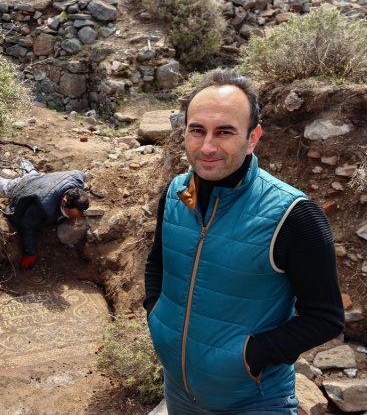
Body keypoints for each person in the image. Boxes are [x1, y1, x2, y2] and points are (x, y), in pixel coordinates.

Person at [143, 68, 345, 414]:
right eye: (197, 130)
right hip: (179, 390)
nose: (207, 146)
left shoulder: (293, 215)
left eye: (224, 132)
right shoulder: (175, 194)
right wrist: (156, 317)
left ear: (253, 137)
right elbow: (157, 263)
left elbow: (325, 316)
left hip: (254, 399)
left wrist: (250, 358)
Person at [0, 159, 90, 269]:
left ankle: (23, 161)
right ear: (64, 201)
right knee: (0, 185)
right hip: (21, 186)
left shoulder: (77, 178)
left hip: (41, 179)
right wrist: (30, 253)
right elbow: (27, 225)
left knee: (32, 173)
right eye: (69, 214)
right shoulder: (44, 206)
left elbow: (81, 174)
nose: (72, 218)